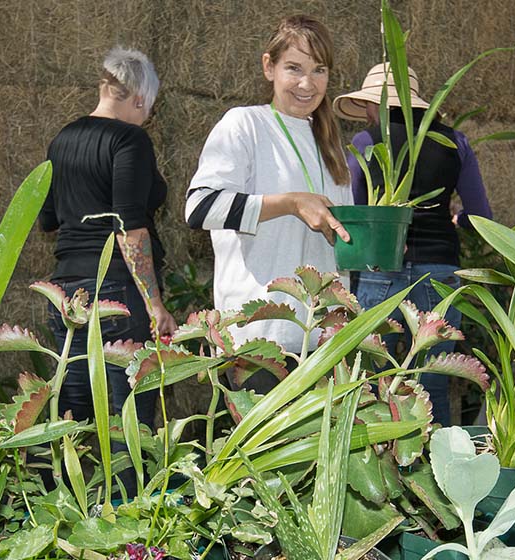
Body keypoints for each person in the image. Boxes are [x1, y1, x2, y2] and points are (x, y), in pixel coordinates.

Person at [184, 15, 352, 392]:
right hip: (260, 341)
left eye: (319, 70)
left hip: (322, 343)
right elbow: (200, 207)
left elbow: (338, 241)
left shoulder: (330, 146)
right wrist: (291, 203)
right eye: (294, 68)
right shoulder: (244, 125)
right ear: (268, 67)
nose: (307, 84)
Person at [332, 63, 492, 426]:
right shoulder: (455, 142)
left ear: (373, 105)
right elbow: (481, 215)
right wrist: (456, 220)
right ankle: (438, 473)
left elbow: (355, 213)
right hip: (440, 271)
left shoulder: (365, 143)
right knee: (432, 384)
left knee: (370, 381)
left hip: (378, 270)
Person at [39, 47, 176, 429]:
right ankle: (130, 492)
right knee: (128, 417)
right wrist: (155, 304)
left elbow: (48, 218)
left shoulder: (62, 140)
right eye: (148, 108)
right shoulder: (130, 140)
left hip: (65, 294)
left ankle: (71, 489)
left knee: (74, 416)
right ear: (138, 98)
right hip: (117, 293)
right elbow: (128, 227)